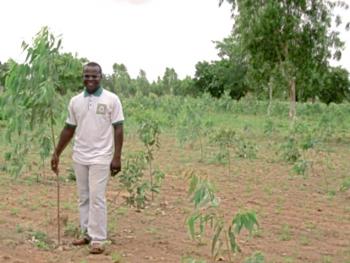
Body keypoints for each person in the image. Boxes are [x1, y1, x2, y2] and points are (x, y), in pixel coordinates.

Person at [51, 62, 124, 254]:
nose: (90, 79)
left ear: (101, 77)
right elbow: (69, 129)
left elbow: (119, 128)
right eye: (87, 76)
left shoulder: (112, 99)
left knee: (97, 197)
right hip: (80, 155)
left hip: (101, 156)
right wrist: (57, 152)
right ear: (82, 77)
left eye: (94, 76)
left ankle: (98, 239)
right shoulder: (75, 101)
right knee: (83, 197)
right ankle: (87, 233)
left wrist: (117, 157)